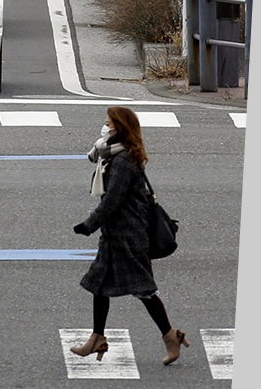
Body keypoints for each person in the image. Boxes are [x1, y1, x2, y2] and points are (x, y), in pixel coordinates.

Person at [70, 107, 190, 366]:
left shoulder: (124, 160)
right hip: (115, 234)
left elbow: (112, 200)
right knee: (99, 283)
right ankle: (97, 338)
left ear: (120, 127)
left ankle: (171, 336)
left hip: (129, 236)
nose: (105, 124)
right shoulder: (113, 153)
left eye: (109, 121)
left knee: (144, 290)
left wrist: (89, 224)